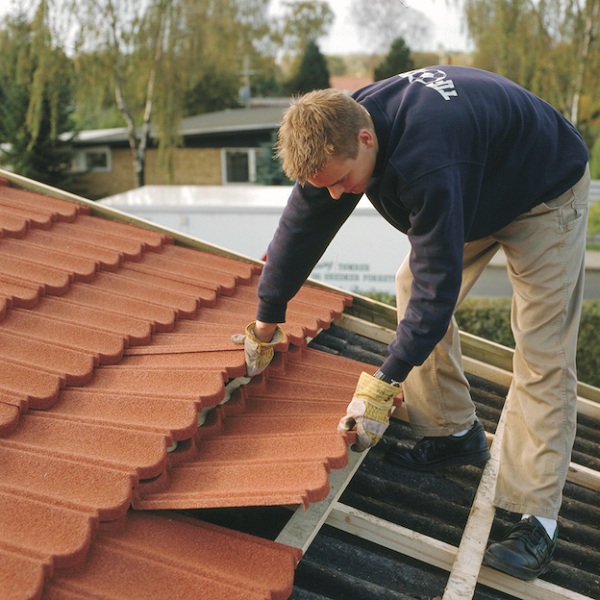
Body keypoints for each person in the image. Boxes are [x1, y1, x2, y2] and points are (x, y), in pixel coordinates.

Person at [236, 66, 590, 581]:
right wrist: (265, 321)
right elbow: (301, 228)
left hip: (543, 189)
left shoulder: (426, 157)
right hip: (475, 181)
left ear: (366, 139)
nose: (337, 195)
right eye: (324, 186)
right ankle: (452, 431)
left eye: (341, 182)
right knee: (408, 285)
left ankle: (537, 518)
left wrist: (383, 383)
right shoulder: (335, 132)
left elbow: (438, 288)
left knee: (542, 351)